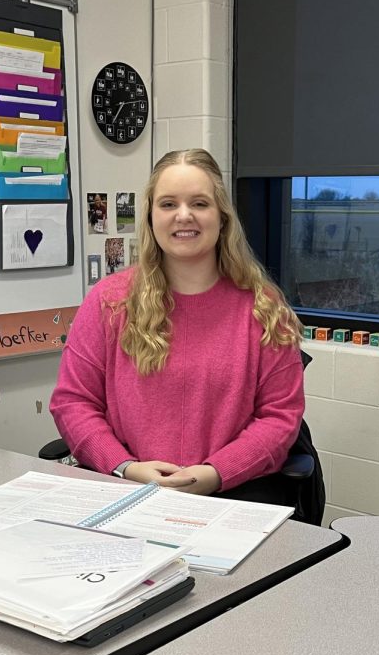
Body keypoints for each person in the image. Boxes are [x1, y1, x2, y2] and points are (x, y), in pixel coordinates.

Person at [50, 148, 304, 504]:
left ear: (222, 217)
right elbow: (73, 402)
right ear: (151, 217)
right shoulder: (110, 302)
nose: (184, 216)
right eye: (168, 204)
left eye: (199, 203)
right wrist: (124, 466)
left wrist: (216, 472)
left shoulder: (264, 308)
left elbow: (280, 418)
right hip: (129, 493)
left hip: (233, 495)